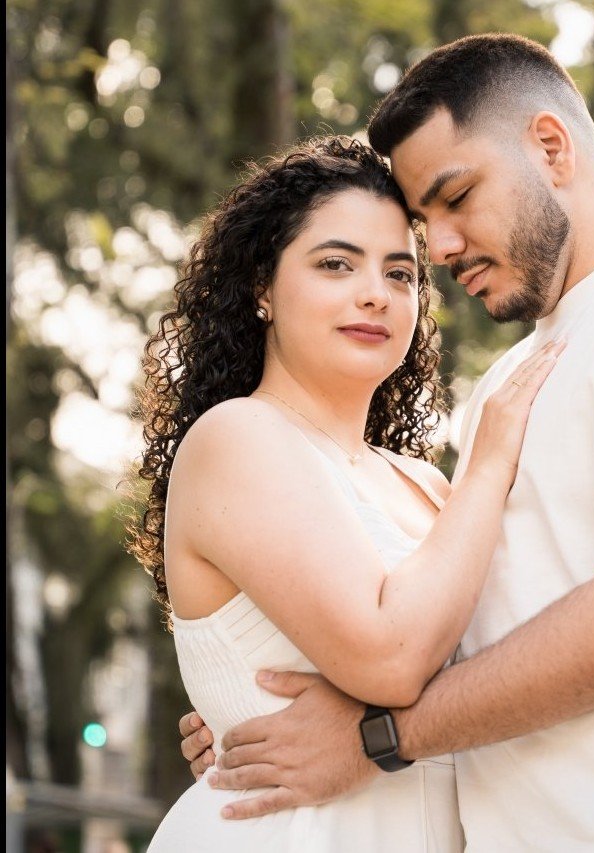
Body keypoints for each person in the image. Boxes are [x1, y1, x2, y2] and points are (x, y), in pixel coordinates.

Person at [179, 35, 594, 851]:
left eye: (456, 197)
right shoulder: (505, 386)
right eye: (426, 223)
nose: (441, 247)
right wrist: (247, 708)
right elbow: (461, 629)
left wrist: (374, 735)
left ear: (551, 147)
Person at [128, 134, 564, 852]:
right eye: (336, 263)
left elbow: (503, 660)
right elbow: (392, 657)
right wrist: (488, 463)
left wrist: (359, 720)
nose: (374, 293)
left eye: (399, 273)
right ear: (262, 288)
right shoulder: (237, 437)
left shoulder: (427, 484)